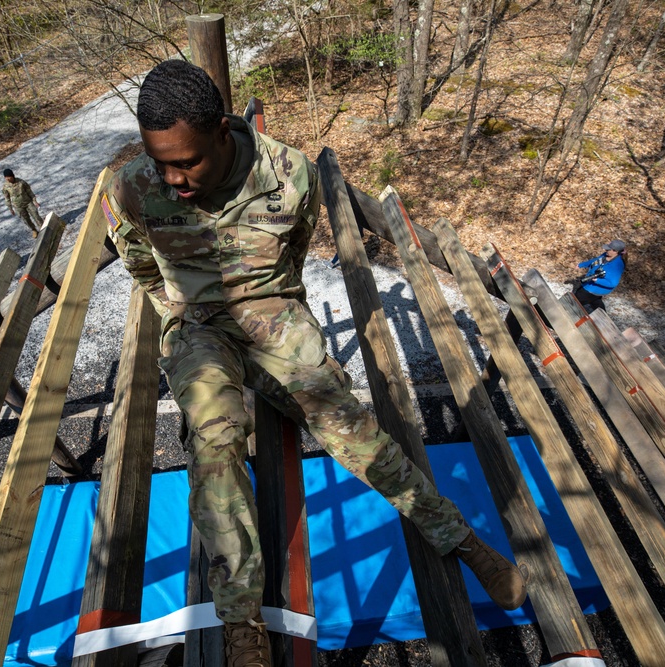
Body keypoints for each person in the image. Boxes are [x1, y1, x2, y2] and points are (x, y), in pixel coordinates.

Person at [104, 60, 527, 666]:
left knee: (345, 425)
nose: (173, 179)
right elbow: (139, 261)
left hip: (271, 313)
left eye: (186, 162)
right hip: (197, 326)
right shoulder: (131, 186)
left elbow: (295, 256)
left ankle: (455, 536)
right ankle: (241, 620)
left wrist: (284, 326)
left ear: (223, 131)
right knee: (213, 441)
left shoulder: (288, 174)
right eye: (161, 161)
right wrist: (174, 315)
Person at [574, 239, 627, 313]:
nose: (606, 250)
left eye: (608, 249)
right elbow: (595, 261)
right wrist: (582, 265)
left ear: (615, 251)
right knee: (595, 300)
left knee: (575, 301)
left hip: (594, 288)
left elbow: (613, 283)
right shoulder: (605, 255)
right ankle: (603, 314)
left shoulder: (617, 265)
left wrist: (597, 281)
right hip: (590, 284)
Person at [2, 168, 42, 237]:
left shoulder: (21, 182)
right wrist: (10, 208)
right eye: (6, 177)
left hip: (28, 202)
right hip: (18, 206)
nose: (7, 179)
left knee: (36, 215)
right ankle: (34, 230)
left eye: (9, 177)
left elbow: (29, 191)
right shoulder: (5, 187)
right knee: (26, 220)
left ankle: (42, 227)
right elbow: (7, 198)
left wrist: (35, 201)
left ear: (12, 176)